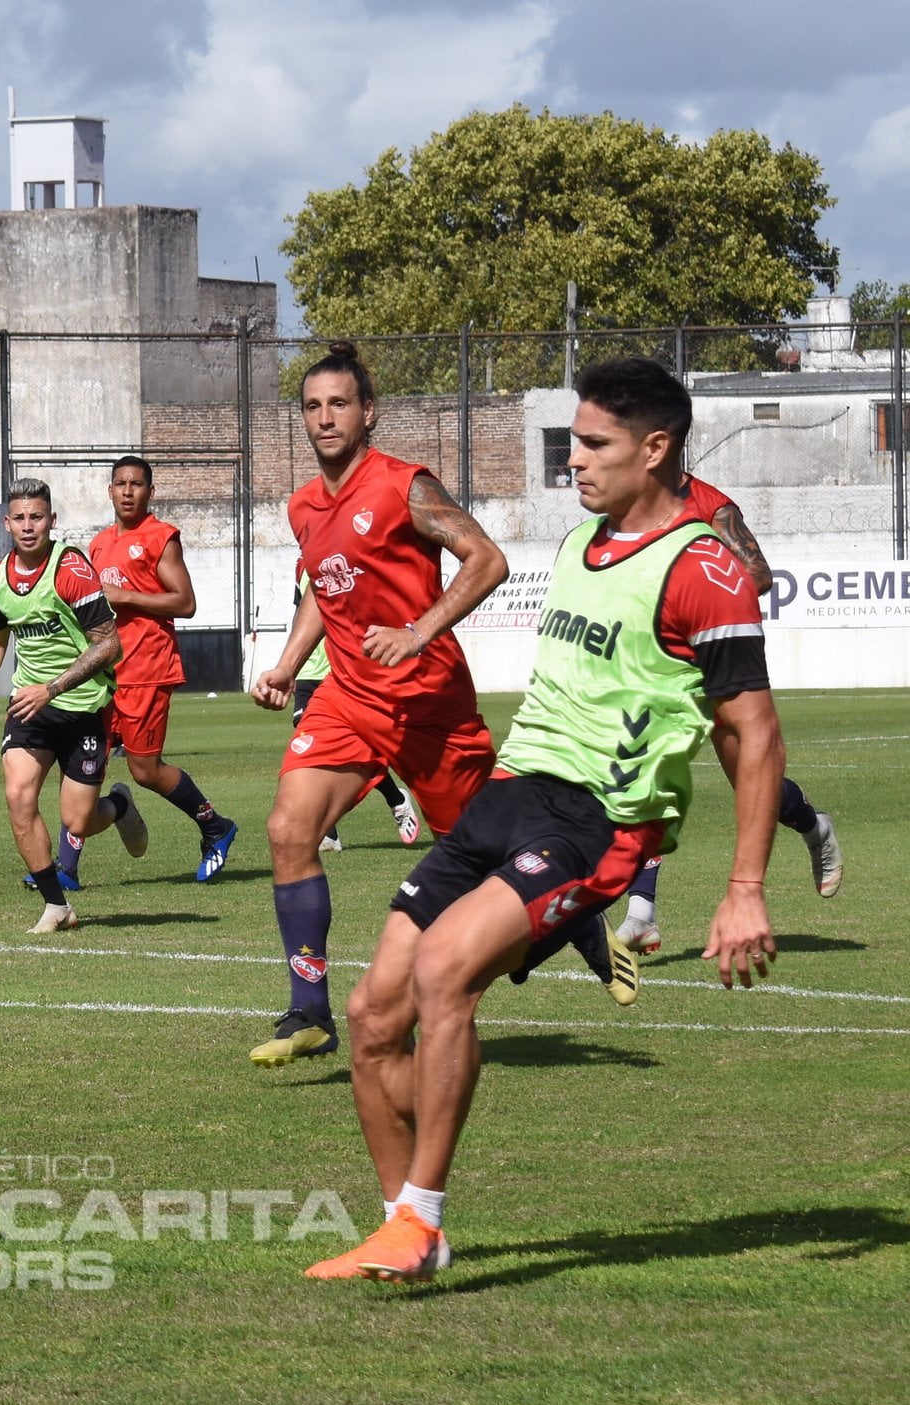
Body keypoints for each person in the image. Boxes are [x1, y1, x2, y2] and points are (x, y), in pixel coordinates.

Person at [310, 357, 784, 1285]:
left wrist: (744, 888)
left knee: (447, 974)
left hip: (598, 821)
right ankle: (404, 1226)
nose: (575, 459)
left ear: (656, 449)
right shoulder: (581, 546)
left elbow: (753, 736)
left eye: (595, 444)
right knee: (371, 1014)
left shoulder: (701, 569)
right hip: (512, 793)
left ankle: (423, 1217)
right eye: (574, 440)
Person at [245, 343, 510, 1067]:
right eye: (311, 406)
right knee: (288, 828)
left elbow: (487, 558)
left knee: (489, 860)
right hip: (349, 697)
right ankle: (309, 1009)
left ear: (369, 413)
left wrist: (420, 630)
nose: (324, 418)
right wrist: (287, 665)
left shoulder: (403, 486)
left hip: (429, 700)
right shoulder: (303, 505)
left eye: (339, 404)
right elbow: (320, 587)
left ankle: (572, 922)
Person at [613, 473, 842, 952]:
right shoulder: (621, 507)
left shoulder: (711, 505)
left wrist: (686, 586)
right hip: (656, 667)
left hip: (714, 660)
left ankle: (813, 825)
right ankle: (641, 912)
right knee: (648, 775)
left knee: (752, 786)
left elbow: (759, 576)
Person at [0, 478, 146, 933]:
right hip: (30, 706)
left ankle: (118, 804)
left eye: (36, 517)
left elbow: (109, 646)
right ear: (6, 523)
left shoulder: (71, 570)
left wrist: (53, 688)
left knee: (77, 819)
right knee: (18, 795)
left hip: (82, 705)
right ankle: (56, 905)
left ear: (52, 521)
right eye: (19, 518)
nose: (28, 526)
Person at [45, 455, 239, 886]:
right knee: (83, 762)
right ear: (109, 490)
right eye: (120, 483)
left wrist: (125, 595)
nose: (128, 491)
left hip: (148, 668)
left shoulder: (160, 538)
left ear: (150, 492)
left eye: (136, 484)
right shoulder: (96, 545)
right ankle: (66, 870)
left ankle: (215, 826)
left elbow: (185, 603)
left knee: (144, 770)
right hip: (105, 673)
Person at [289, 567, 421, 854]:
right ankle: (330, 831)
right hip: (309, 672)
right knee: (311, 750)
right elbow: (302, 615)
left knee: (360, 749)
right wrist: (288, 666)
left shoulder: (352, 557)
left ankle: (395, 799)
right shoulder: (302, 564)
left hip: (346, 669)